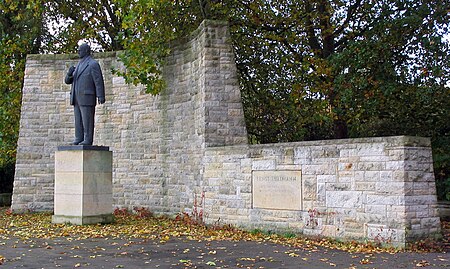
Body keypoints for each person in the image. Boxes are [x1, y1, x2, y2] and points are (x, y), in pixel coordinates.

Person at [65, 43, 105, 145]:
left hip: (87, 97)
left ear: (86, 51)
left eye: (80, 50)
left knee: (87, 120)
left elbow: (98, 80)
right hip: (76, 97)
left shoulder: (93, 64)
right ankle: (78, 137)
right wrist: (69, 74)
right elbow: (67, 81)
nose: (78, 51)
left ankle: (88, 139)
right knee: (78, 120)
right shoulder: (78, 64)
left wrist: (100, 95)